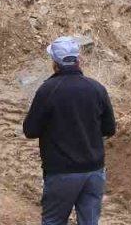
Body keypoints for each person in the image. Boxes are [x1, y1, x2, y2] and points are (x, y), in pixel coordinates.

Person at [23, 37, 117, 225]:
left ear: (54, 64)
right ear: (78, 60)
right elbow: (109, 129)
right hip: (94, 172)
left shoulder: (48, 90)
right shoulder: (97, 89)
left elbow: (30, 130)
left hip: (61, 173)